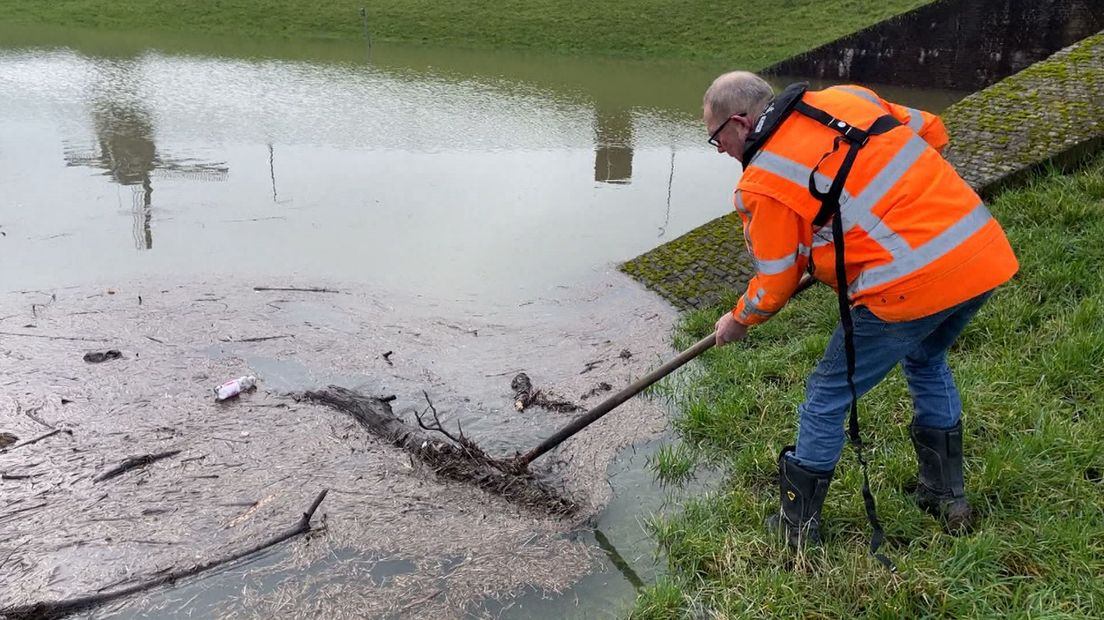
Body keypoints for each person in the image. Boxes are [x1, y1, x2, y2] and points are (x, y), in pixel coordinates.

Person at [702, 71, 1018, 548]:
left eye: (716, 138)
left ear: (741, 122)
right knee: (927, 359)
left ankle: (797, 528)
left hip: (908, 285)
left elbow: (775, 281)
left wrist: (738, 319)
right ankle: (945, 497)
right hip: (979, 251)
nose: (721, 150)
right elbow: (932, 131)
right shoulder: (846, 98)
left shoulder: (761, 183)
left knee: (827, 395)